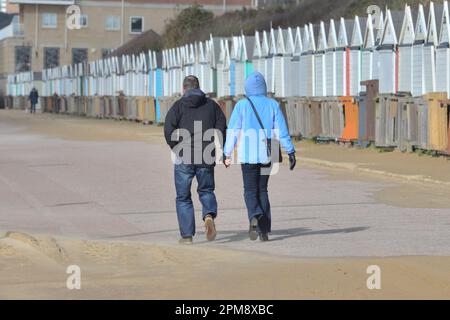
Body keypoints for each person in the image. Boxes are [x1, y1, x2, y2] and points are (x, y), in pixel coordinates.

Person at [223, 72, 296, 242]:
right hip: (267, 154)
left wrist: (227, 153)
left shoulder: (241, 105)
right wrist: (290, 151)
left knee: (250, 190)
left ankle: (254, 215)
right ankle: (264, 230)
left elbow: (233, 131)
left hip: (247, 155)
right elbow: (281, 131)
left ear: (247, 88)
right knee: (263, 190)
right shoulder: (273, 105)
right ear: (264, 87)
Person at [164, 75, 227, 245]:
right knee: (206, 190)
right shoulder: (211, 105)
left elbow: (168, 128)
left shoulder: (178, 106)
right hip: (206, 155)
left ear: (184, 88)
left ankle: (187, 236)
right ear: (199, 87)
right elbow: (221, 126)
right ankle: (208, 215)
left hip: (184, 156)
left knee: (183, 196)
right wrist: (223, 149)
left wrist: (175, 146)